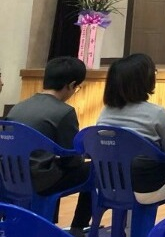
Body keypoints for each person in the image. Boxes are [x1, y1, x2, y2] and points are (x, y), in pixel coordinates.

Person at [97, 54, 165, 216]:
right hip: (146, 188)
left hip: (111, 184)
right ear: (145, 80)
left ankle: (129, 228)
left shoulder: (105, 113)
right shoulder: (157, 114)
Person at [7, 57, 92, 237]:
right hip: (41, 181)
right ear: (71, 85)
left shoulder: (18, 107)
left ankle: (48, 222)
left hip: (10, 176)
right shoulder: (64, 112)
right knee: (96, 169)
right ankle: (79, 227)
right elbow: (72, 159)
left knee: (52, 165)